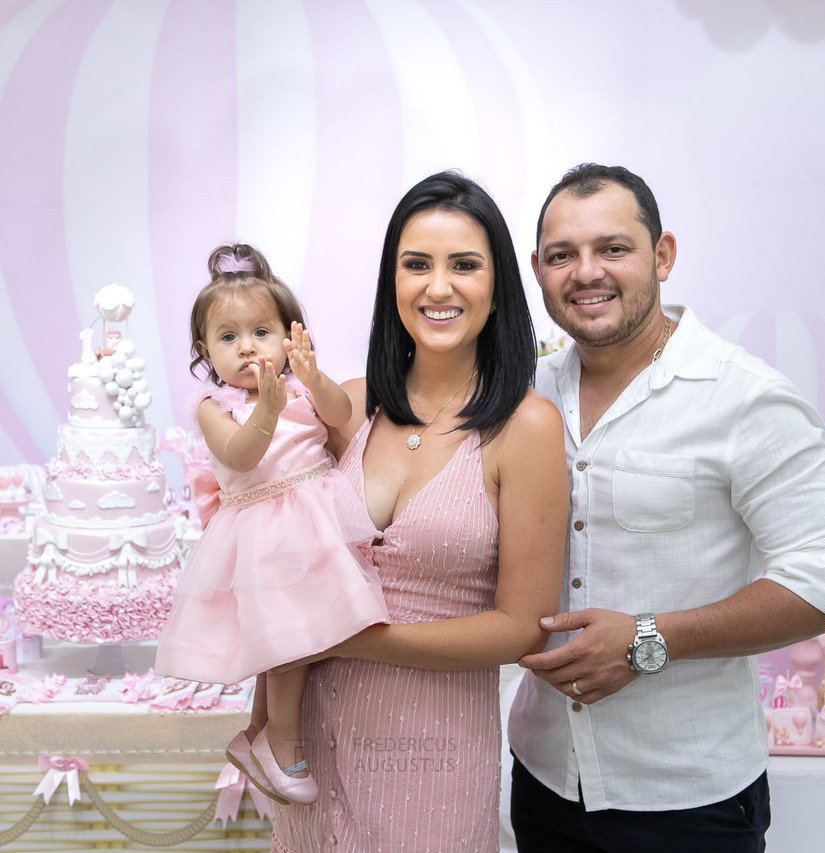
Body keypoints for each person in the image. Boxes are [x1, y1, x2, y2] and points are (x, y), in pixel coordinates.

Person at [509, 163, 825, 852]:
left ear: (662, 255)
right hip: (545, 776)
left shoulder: (745, 395)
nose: (587, 272)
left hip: (689, 796)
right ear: (539, 269)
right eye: (562, 255)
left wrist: (649, 638)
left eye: (613, 248)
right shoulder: (526, 393)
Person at [271, 171, 567, 852]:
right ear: (392, 282)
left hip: (430, 757)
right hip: (314, 752)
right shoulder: (347, 407)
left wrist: (347, 637)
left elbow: (522, 628)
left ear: (496, 289)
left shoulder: (525, 426)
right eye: (416, 265)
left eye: (464, 264)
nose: (438, 287)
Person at [154, 243, 390, 806]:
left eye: (261, 333)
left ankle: (259, 733)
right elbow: (238, 456)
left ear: (289, 337)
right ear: (205, 351)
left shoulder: (303, 386)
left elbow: (340, 418)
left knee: (292, 636)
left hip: (313, 516)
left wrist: (313, 377)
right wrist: (266, 407)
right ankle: (282, 738)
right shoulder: (215, 406)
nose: (247, 349)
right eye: (228, 338)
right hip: (263, 529)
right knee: (288, 640)